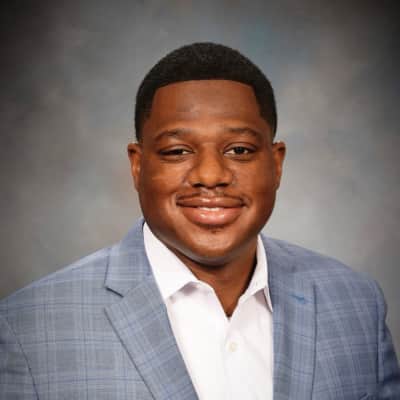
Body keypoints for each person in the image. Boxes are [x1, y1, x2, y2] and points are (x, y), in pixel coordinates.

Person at [0, 42, 399, 400]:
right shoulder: (27, 328)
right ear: (138, 166)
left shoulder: (355, 302)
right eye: (177, 151)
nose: (211, 175)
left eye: (239, 150)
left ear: (276, 164)